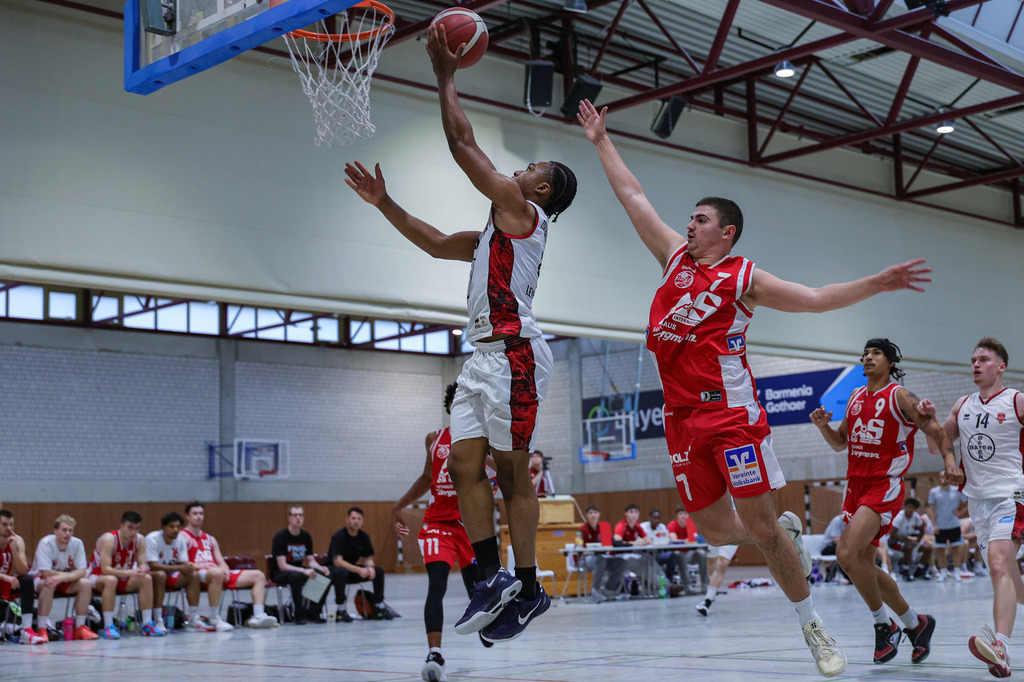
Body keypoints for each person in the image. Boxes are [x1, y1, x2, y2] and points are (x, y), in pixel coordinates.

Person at [578, 98, 936, 678]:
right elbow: (633, 197)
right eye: (689, 218)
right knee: (718, 531)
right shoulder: (673, 262)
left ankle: (813, 628)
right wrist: (600, 140)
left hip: (731, 417)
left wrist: (878, 281)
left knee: (765, 532)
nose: (688, 224)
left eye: (699, 219)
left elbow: (817, 300)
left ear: (727, 231)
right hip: (679, 420)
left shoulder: (743, 276)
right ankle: (784, 535)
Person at [344, 22, 577, 645]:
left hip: (518, 357)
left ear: (542, 189)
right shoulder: (494, 239)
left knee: (509, 474)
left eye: (529, 167)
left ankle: (529, 589)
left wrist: (446, 75)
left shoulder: (524, 215)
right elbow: (432, 241)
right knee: (463, 465)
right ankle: (491, 579)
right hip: (481, 359)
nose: (518, 170)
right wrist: (383, 204)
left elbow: (462, 144)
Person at [810, 338, 959, 665]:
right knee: (860, 564)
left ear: (890, 362)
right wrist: (823, 427)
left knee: (845, 554)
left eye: (876, 353)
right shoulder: (854, 397)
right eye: (865, 353)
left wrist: (949, 463)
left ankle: (883, 624)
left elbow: (934, 430)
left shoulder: (900, 396)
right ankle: (914, 624)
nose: (868, 357)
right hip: (855, 486)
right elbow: (840, 443)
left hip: (884, 484)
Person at [921, 337, 1023, 678]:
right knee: (1012, 583)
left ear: (1001, 366)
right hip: (977, 502)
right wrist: (930, 420)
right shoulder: (962, 405)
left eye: (984, 359)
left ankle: (1001, 648)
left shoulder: (1017, 401)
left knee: (997, 567)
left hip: (1013, 495)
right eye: (973, 359)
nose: (976, 364)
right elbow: (937, 448)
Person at [393, 383, 492, 682]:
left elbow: (496, 472)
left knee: (477, 591)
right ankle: (434, 653)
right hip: (437, 524)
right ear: (451, 407)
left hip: (470, 525)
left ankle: (484, 624)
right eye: (458, 403)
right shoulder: (434, 439)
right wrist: (398, 505)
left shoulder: (480, 440)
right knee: (436, 585)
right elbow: (426, 477)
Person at [181, 501, 278, 629]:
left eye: (201, 513)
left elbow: (221, 561)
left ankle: (258, 616)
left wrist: (225, 569)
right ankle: (214, 617)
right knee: (216, 573)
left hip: (217, 573)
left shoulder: (210, 539)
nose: (198, 516)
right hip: (199, 574)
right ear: (187, 516)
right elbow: (184, 563)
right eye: (195, 514)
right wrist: (209, 568)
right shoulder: (183, 537)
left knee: (258, 575)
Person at [88, 510, 165, 639]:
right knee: (111, 580)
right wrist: (130, 572)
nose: (133, 532)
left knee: (146, 578)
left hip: (122, 576)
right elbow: (106, 569)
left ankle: (147, 624)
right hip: (97, 576)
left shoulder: (140, 540)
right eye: (130, 528)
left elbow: (142, 564)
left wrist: (141, 569)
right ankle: (108, 626)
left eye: (137, 529)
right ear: (121, 526)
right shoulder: (109, 539)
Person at [32, 514, 98, 641]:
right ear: (55, 530)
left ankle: (80, 627)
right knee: (49, 583)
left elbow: (82, 572)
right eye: (64, 530)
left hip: (63, 580)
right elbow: (45, 572)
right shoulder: (46, 543)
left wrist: (62, 578)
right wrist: (66, 576)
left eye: (70, 530)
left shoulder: (77, 543)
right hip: (41, 580)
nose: (67, 534)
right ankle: (42, 628)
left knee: (85, 583)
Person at [328, 507, 398, 622]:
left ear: (362, 521)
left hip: (351, 570)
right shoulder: (339, 536)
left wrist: (370, 567)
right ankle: (341, 610)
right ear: (347, 520)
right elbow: (338, 561)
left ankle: (379, 605)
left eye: (359, 519)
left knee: (378, 571)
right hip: (334, 570)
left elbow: (367, 557)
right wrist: (359, 570)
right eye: (353, 518)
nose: (356, 521)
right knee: (342, 572)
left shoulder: (364, 537)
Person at [271, 505, 330, 625]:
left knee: (322, 576)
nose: (298, 518)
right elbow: (282, 565)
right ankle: (299, 614)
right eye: (295, 515)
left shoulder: (306, 536)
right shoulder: (280, 537)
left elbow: (311, 561)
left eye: (300, 515)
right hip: (280, 572)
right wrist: (303, 571)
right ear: (289, 517)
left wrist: (321, 568)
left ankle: (314, 612)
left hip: (298, 570)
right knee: (296, 576)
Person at [145, 511, 201, 632]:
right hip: (149, 577)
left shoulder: (180, 539)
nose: (175, 529)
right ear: (164, 527)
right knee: (160, 575)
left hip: (168, 575)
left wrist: (188, 567)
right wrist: (179, 568)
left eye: (178, 527)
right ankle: (158, 618)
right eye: (172, 526)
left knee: (194, 575)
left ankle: (193, 618)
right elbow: (153, 566)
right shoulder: (152, 538)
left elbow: (183, 563)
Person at [0, 509, 44, 644]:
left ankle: (26, 629)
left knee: (26, 580)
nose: (9, 528)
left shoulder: (17, 540)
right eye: (4, 524)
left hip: (5, 583)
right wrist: (6, 577)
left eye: (11, 524)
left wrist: (13, 550)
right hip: (3, 579)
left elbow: (23, 570)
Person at [574, 504, 622, 601]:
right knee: (601, 560)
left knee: (621, 563)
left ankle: (607, 589)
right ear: (586, 515)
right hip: (586, 559)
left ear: (599, 514)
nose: (593, 515)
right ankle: (595, 591)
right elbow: (577, 548)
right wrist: (578, 561)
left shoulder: (604, 528)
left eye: (595, 513)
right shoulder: (582, 530)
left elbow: (609, 547)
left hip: (602, 558)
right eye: (590, 513)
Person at [927, 481, 969, 582]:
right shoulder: (934, 491)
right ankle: (942, 573)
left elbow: (968, 501)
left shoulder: (956, 490)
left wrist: (961, 512)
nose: (943, 479)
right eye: (941, 476)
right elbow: (931, 509)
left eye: (945, 476)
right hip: (940, 526)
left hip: (954, 525)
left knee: (956, 549)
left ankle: (957, 572)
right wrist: (934, 525)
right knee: (941, 550)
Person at [888, 498, 934, 581]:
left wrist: (917, 541)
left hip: (906, 539)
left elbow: (922, 530)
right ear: (905, 507)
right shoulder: (900, 516)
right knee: (908, 547)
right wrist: (908, 542)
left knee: (928, 548)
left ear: (915, 509)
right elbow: (892, 534)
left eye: (912, 508)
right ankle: (906, 571)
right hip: (894, 540)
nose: (910, 509)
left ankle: (920, 571)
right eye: (908, 507)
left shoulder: (916, 516)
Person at [695, 543, 738, 616]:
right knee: (711, 562)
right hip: (717, 534)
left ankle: (707, 600)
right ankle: (712, 588)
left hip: (733, 534)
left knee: (722, 563)